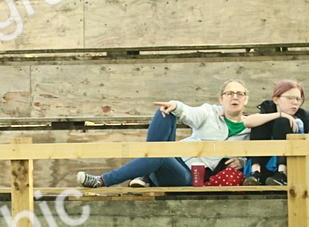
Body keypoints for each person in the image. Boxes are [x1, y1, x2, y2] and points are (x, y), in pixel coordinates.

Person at [76, 80, 279, 187]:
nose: (235, 97)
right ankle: (134, 176)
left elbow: (256, 154)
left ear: (246, 99)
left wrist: (242, 161)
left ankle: (109, 180)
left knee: (159, 154)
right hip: (176, 158)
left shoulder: (250, 127)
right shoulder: (209, 112)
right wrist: (176, 105)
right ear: (221, 99)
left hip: (187, 176)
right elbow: (190, 113)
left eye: (240, 93)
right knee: (165, 113)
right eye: (230, 93)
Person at [244, 80, 309, 185]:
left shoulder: (305, 119)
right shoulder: (267, 111)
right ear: (276, 99)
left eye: (298, 99)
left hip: (292, 166)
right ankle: (256, 172)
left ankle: (282, 173)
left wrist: (283, 118)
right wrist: (280, 114)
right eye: (290, 98)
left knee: (282, 122)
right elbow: (247, 122)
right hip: (264, 162)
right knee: (260, 124)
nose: (295, 102)